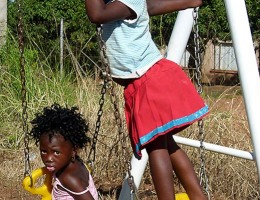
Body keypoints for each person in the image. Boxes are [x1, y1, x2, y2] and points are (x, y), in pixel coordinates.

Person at [85, 0, 208, 200]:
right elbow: (150, 7)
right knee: (167, 144)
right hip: (144, 81)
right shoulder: (123, 4)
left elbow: (96, 14)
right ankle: (198, 196)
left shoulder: (125, 2)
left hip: (149, 80)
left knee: (156, 147)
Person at [29, 103, 98, 200]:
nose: (48, 158)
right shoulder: (76, 163)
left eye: (56, 152)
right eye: (44, 151)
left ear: (73, 150)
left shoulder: (68, 178)